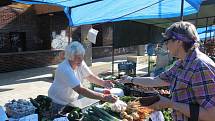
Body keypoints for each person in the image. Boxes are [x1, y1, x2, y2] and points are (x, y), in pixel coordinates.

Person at [120, 21, 215, 121]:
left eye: (167, 40)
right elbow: (156, 80)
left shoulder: (200, 66)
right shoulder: (181, 63)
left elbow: (212, 115)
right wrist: (130, 79)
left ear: (179, 41)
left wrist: (171, 104)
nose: (166, 44)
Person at [48, 41, 117, 117]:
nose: (81, 59)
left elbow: (90, 76)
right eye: (78, 57)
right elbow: (80, 89)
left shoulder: (79, 62)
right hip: (58, 103)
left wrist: (103, 82)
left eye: (82, 56)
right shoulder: (65, 69)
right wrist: (105, 97)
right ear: (70, 57)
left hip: (72, 100)